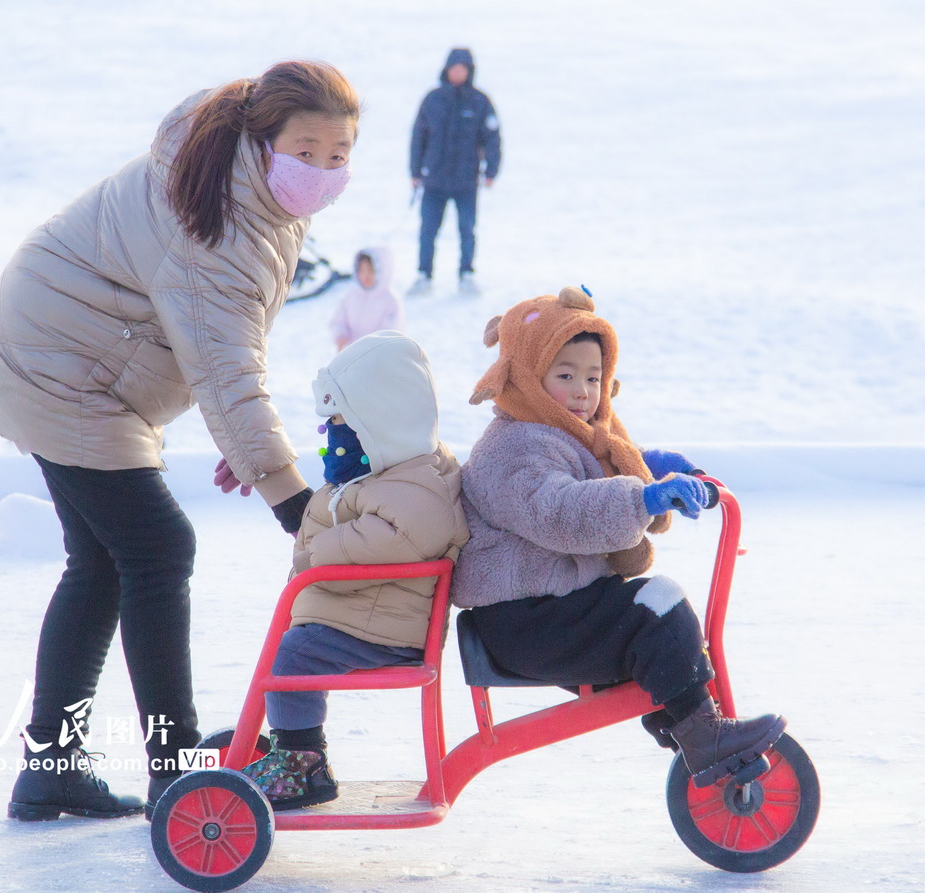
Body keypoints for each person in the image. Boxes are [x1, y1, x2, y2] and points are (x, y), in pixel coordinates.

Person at [0, 61, 362, 822]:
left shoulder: (243, 182)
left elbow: (229, 343)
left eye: (339, 155)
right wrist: (290, 498)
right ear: (263, 139)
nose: (321, 170)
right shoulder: (215, 212)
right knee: (158, 547)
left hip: (67, 355)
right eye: (306, 150)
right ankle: (175, 766)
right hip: (58, 369)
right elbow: (223, 357)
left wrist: (243, 436)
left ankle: (51, 767)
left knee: (101, 563)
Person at [451, 286, 786, 788]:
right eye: (565, 376)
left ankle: (690, 724)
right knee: (656, 608)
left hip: (556, 607)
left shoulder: (560, 433)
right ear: (525, 378)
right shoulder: (512, 448)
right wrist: (641, 499)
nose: (584, 392)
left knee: (657, 613)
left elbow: (600, 466)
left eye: (593, 377)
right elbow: (560, 509)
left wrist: (655, 467)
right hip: (523, 623)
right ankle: (699, 732)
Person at [241, 331, 469, 809]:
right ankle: (288, 751)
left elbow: (389, 545)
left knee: (294, 658)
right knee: (288, 651)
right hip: (358, 615)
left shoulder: (420, 485)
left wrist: (315, 554)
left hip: (383, 628)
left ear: (383, 422)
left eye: (342, 423)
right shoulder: (380, 474)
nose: (333, 438)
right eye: (329, 424)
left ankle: (304, 766)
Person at [408, 47, 501, 296]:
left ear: (469, 72)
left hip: (466, 182)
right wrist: (415, 171)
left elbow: (492, 138)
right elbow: (418, 136)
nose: (458, 72)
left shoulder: (480, 102)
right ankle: (424, 274)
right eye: (454, 68)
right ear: (447, 69)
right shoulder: (433, 99)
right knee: (428, 229)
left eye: (463, 68)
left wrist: (491, 170)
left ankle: (466, 274)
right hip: (434, 180)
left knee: (467, 229)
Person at [328, 246, 405, 351]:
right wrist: (340, 335)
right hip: (352, 354)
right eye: (361, 271)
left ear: (381, 271)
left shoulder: (390, 300)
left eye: (370, 271)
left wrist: (372, 348)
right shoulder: (351, 296)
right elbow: (338, 321)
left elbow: (391, 331)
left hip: (378, 357)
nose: (365, 276)